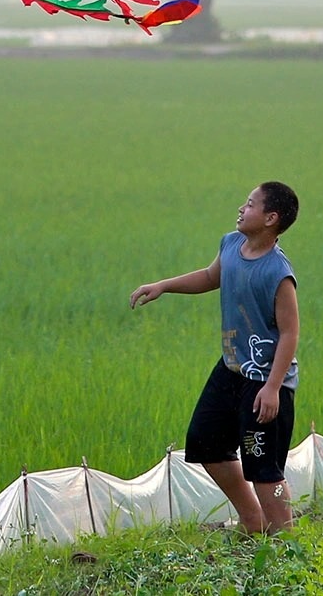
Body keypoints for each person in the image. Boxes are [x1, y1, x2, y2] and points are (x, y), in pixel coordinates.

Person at [129, 181, 301, 534]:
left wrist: (271, 389)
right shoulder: (232, 244)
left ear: (271, 218)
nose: (241, 208)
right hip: (230, 370)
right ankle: (252, 520)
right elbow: (211, 277)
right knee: (206, 442)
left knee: (264, 470)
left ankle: (287, 542)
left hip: (265, 383)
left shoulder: (278, 273)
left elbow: (290, 333)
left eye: (250, 204)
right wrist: (163, 285)